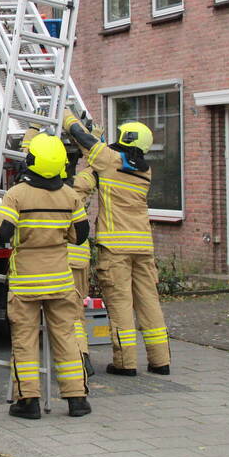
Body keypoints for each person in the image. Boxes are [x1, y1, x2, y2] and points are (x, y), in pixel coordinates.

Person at [0, 133, 92, 419]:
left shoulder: (16, 194)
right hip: (60, 280)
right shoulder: (69, 195)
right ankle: (77, 398)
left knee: (25, 340)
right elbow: (80, 236)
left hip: (26, 283)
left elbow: (2, 234)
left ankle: (28, 401)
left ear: (32, 161)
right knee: (66, 337)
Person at [64, 109, 170, 376]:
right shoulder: (145, 172)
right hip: (143, 247)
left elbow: (82, 138)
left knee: (121, 304)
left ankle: (126, 362)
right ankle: (160, 361)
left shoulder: (109, 162)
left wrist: (67, 114)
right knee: (149, 302)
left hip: (115, 248)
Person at [22, 124, 96, 376]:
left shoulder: (36, 189)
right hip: (79, 256)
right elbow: (98, 161)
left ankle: (76, 356)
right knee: (75, 313)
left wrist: (32, 128)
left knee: (60, 317)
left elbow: (27, 154)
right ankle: (81, 355)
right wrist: (89, 133)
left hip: (57, 259)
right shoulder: (79, 186)